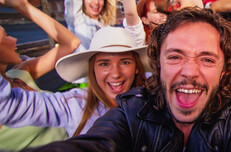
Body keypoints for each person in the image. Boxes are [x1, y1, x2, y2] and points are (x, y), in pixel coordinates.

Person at [0, 8, 231, 152]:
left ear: (224, 70)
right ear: (158, 67)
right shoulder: (131, 110)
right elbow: (92, 149)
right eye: (175, 56)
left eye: (206, 59)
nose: (190, 71)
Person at [0, 26, 149, 137]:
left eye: (125, 62)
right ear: (93, 70)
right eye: (104, 64)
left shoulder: (154, 102)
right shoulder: (74, 105)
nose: (116, 73)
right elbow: (7, 106)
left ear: (136, 67)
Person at [0, 0, 80, 151]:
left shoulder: (20, 73)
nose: (14, 39)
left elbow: (70, 43)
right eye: (5, 36)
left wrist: (23, 6)